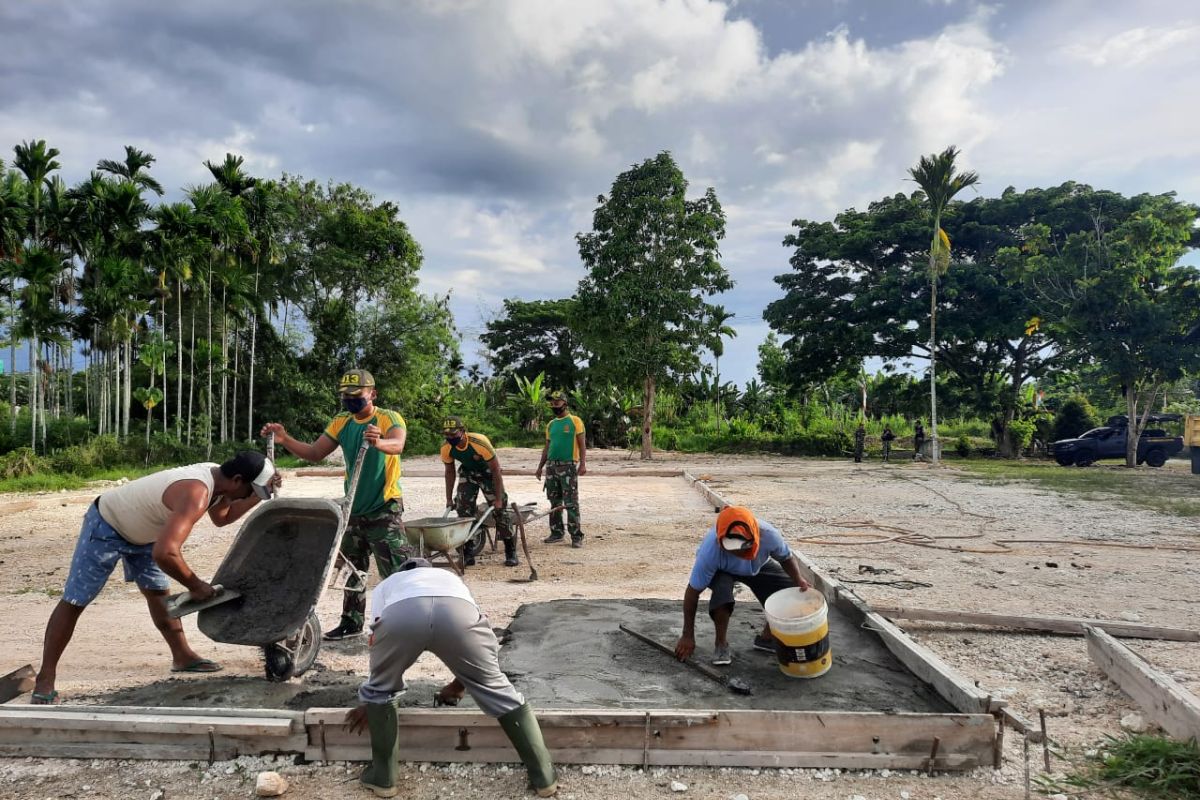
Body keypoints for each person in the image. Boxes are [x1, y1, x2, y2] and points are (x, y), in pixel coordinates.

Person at [32, 451, 279, 704]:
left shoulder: (220, 483)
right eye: (250, 491)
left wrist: (261, 497)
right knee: (75, 600)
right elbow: (165, 552)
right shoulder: (197, 492)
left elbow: (222, 518)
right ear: (237, 480)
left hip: (145, 533)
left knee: (158, 592)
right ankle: (45, 678)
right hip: (107, 524)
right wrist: (196, 586)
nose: (249, 496)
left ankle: (182, 656)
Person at [345, 558, 557, 798]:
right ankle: (544, 777)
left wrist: (371, 700)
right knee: (498, 690)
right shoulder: (452, 579)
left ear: (402, 572)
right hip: (457, 613)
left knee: (380, 691)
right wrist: (459, 685)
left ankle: (383, 779)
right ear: (429, 569)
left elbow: (379, 633)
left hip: (402, 615)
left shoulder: (388, 584)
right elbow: (480, 644)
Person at [261, 369, 409, 640]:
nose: (351, 400)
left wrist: (379, 442)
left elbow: (398, 444)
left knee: (397, 570)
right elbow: (316, 453)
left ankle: (408, 624)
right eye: (346, 396)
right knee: (353, 568)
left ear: (372, 394)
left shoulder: (388, 418)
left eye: (357, 395)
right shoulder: (342, 421)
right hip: (353, 507)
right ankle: (351, 623)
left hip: (384, 507)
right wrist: (285, 439)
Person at [674, 505, 811, 666]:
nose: (737, 554)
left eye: (743, 548)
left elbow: (786, 558)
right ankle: (721, 645)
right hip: (722, 570)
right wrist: (687, 635)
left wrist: (798, 579)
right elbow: (692, 592)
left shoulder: (769, 535)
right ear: (721, 542)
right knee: (722, 597)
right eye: (732, 550)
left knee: (789, 589)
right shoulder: (710, 550)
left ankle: (767, 638)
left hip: (757, 566)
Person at [441, 416, 516, 567]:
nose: (450, 437)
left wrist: (499, 498)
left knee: (500, 511)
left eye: (453, 434)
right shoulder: (446, 448)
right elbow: (449, 472)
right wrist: (449, 498)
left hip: (488, 474)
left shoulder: (479, 442)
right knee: (463, 511)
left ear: (462, 431)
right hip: (468, 474)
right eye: (447, 434)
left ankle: (511, 551)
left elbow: (496, 470)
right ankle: (468, 553)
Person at [535, 393, 587, 548]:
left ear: (565, 403)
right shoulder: (551, 424)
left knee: (571, 501)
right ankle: (557, 532)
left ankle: (576, 536)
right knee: (554, 501)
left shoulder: (575, 421)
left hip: (568, 466)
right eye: (552, 403)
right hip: (551, 466)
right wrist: (540, 467)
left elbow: (582, 445)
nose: (554, 405)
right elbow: (547, 446)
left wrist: (583, 464)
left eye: (557, 402)